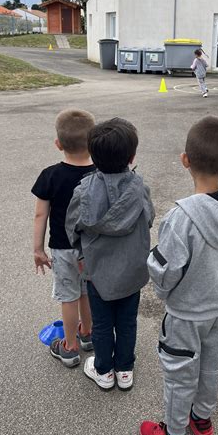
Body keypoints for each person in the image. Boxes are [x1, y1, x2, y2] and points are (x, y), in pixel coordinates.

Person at [140, 115, 218, 435]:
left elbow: (166, 268)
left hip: (186, 313)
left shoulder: (181, 217)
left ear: (185, 160)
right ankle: (201, 419)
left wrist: (164, 293)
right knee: (210, 366)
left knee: (179, 373)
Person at [66, 117, 154, 391]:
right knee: (127, 321)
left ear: (93, 156)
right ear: (132, 156)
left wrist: (80, 255)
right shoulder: (139, 189)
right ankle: (124, 369)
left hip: (97, 271)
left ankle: (104, 370)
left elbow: (72, 226)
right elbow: (148, 219)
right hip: (131, 269)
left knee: (102, 323)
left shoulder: (83, 191)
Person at [32, 109, 96, 368]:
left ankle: (69, 347)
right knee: (87, 291)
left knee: (68, 296)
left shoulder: (50, 175)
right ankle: (88, 334)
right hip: (91, 249)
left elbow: (40, 215)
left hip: (62, 248)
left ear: (58, 144)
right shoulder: (100, 174)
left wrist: (37, 249)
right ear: (92, 143)